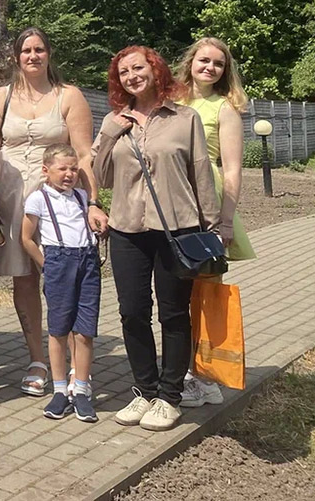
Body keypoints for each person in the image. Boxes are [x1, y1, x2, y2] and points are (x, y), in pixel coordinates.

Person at [92, 46, 220, 433]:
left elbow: (201, 173)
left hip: (176, 229)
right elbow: (101, 174)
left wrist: (212, 227)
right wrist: (113, 131)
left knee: (174, 313)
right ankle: (144, 390)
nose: (132, 76)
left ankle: (169, 396)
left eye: (138, 67)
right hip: (128, 229)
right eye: (124, 71)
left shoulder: (185, 118)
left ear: (155, 69)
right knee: (132, 311)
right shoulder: (114, 121)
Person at [0, 27, 104, 397]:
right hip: (11, 199)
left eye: (38, 49)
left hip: (57, 201)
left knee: (62, 277)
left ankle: (72, 364)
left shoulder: (69, 96)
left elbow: (83, 153)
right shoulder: (0, 97)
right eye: (25, 50)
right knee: (24, 279)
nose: (32, 56)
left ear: (49, 54)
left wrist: (93, 201)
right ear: (16, 57)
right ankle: (38, 359)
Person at [175, 36, 251, 409]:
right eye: (203, 60)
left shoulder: (225, 108)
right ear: (190, 61)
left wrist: (225, 220)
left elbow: (233, 169)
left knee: (205, 295)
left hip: (208, 204)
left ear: (225, 70)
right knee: (176, 294)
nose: (209, 67)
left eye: (218, 63)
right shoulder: (171, 99)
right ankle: (180, 369)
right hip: (173, 202)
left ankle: (205, 377)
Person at [21, 144, 101, 423]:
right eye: (62, 169)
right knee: (58, 329)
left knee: (85, 330)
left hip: (87, 262)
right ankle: (58, 390)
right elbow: (27, 238)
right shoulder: (38, 200)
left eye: (73, 169)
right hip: (57, 260)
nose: (69, 174)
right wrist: (46, 265)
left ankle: (80, 388)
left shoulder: (82, 197)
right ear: (46, 171)